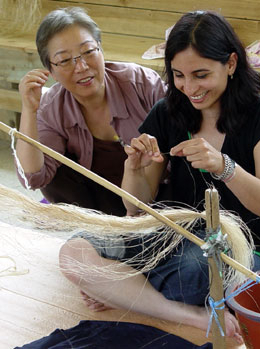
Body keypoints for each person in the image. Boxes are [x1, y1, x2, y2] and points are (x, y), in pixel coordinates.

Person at [59, 11, 260, 343]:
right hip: (175, 237)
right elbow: (135, 209)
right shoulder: (168, 111)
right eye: (179, 76)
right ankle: (191, 314)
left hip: (247, 247)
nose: (190, 88)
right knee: (75, 253)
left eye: (201, 75)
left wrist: (223, 166)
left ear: (230, 64)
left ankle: (129, 292)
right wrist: (135, 169)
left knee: (191, 274)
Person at [16, 7, 167, 216]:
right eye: (65, 60)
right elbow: (33, 177)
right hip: (97, 205)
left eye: (88, 51)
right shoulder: (52, 106)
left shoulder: (143, 83)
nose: (81, 67)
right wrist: (29, 110)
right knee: (55, 174)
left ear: (101, 49)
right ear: (51, 70)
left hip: (157, 198)